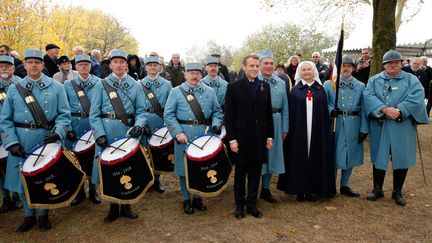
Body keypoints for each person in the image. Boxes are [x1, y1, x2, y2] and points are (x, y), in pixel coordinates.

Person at [0, 49, 71, 232]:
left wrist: (58, 133)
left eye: (37, 62)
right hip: (21, 139)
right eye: (29, 62)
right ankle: (28, 215)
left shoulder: (57, 87)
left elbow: (64, 115)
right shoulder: (15, 89)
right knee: (23, 179)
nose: (33, 65)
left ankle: (43, 214)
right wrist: (11, 142)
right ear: (24, 65)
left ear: (43, 65)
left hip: (46, 139)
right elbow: (5, 119)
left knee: (45, 177)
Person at [364, 50, 429, 207]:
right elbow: (368, 96)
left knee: (402, 156)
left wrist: (400, 110)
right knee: (379, 155)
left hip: (403, 125)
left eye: (396, 62)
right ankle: (377, 189)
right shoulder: (374, 80)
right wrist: (385, 109)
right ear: (384, 65)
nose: (393, 65)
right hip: (381, 124)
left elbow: (417, 96)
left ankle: (397, 191)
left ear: (401, 63)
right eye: (389, 63)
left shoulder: (411, 80)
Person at [89, 49, 148, 222]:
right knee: (109, 170)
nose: (119, 65)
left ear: (127, 65)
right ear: (110, 65)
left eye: (122, 62)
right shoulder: (101, 84)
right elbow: (94, 114)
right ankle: (113, 207)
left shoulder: (136, 85)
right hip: (107, 132)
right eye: (116, 62)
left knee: (129, 168)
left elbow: (141, 111)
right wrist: (98, 134)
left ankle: (127, 205)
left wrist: (139, 125)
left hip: (128, 133)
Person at [164, 62, 223, 215]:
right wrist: (177, 132)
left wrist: (216, 124)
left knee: (200, 167)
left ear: (201, 75)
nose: (194, 76)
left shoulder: (209, 91)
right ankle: (185, 198)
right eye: (191, 73)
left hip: (203, 135)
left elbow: (217, 112)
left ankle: (197, 197)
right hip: (184, 135)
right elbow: (168, 115)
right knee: (184, 169)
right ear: (185, 75)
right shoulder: (176, 91)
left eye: (197, 73)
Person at [277, 61, 336, 202]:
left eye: (309, 69)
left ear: (314, 71)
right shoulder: (295, 91)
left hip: (317, 131)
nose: (307, 72)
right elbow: (291, 112)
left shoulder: (320, 90)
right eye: (303, 70)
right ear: (299, 72)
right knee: (298, 157)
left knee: (315, 155)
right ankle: (299, 190)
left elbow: (323, 112)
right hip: (299, 131)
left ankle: (312, 189)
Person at [224, 54, 274, 219]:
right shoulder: (233, 87)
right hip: (241, 138)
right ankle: (239, 205)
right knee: (240, 174)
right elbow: (229, 116)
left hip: (259, 137)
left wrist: (269, 136)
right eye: (250, 66)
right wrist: (231, 139)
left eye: (256, 66)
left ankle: (252, 204)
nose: (254, 69)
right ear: (244, 67)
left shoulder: (264, 86)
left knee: (256, 172)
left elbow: (268, 113)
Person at [323, 55, 368, 197]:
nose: (346, 68)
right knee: (335, 153)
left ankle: (344, 185)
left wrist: (364, 129)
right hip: (336, 123)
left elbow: (365, 109)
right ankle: (330, 185)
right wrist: (331, 110)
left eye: (349, 66)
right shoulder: (329, 85)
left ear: (354, 68)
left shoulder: (361, 86)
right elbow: (323, 103)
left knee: (351, 154)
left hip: (354, 123)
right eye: (343, 65)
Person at [63, 54, 101, 206]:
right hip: (75, 125)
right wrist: (68, 129)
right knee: (75, 160)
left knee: (92, 159)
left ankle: (93, 190)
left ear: (90, 66)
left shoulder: (99, 83)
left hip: (93, 124)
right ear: (75, 67)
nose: (84, 67)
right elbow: (63, 109)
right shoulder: (67, 85)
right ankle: (79, 192)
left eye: (86, 65)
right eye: (80, 65)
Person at [257, 49, 289, 204]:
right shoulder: (253, 80)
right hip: (258, 123)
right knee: (258, 156)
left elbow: (286, 108)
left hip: (275, 121)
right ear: (259, 64)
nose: (269, 66)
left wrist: (285, 127)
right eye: (265, 63)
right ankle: (253, 188)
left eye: (271, 63)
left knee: (272, 156)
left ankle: (265, 189)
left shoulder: (281, 82)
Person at [139, 56, 172, 193]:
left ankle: (157, 180)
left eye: (155, 65)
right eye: (150, 65)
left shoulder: (167, 84)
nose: (152, 68)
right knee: (144, 151)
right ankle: (146, 180)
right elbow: (136, 106)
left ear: (160, 67)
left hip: (160, 121)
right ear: (146, 67)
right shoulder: (139, 84)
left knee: (158, 152)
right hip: (144, 120)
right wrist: (141, 123)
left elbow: (170, 106)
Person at [0, 55, 23, 213]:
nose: (4, 69)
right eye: (1, 66)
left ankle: (16, 197)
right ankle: (5, 198)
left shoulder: (21, 85)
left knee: (14, 166)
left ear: (13, 69)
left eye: (7, 66)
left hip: (17, 133)